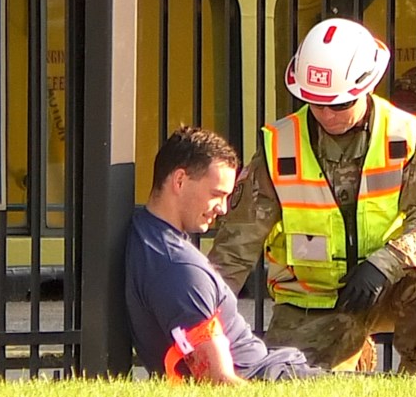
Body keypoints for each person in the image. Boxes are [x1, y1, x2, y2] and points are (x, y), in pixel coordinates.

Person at [207, 17, 416, 376]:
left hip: (388, 286)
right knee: (292, 386)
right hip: (310, 302)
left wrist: (386, 263)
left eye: (339, 104)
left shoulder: (403, 135)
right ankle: (355, 352)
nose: (327, 115)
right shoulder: (279, 147)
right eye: (315, 103)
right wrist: (203, 326)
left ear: (366, 88)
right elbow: (234, 249)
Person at [125, 125, 323, 383]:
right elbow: (218, 382)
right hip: (270, 377)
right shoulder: (178, 269)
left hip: (274, 366)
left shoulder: (145, 233)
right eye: (217, 194)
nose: (223, 208)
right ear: (180, 181)